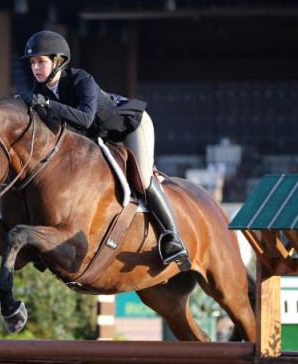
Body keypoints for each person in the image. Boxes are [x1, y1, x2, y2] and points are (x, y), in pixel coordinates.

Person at [23, 30, 191, 271]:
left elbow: (85, 118)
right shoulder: (40, 91)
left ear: (58, 61)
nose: (36, 68)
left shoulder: (82, 80)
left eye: (41, 61)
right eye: (32, 63)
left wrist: (49, 105)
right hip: (100, 138)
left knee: (142, 180)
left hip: (130, 128)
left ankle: (172, 238)